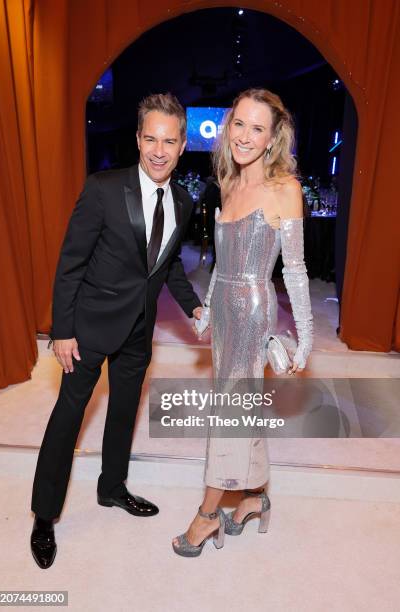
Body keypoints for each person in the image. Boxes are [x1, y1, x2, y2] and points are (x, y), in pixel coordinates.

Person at [30, 93, 202, 568]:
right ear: (138, 138)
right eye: (151, 138)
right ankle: (44, 517)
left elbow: (168, 270)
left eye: (170, 140)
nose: (159, 149)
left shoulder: (183, 201)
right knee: (67, 419)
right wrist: (62, 330)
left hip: (138, 334)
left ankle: (112, 489)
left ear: (184, 144)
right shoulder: (104, 188)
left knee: (123, 416)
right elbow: (70, 265)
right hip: (87, 330)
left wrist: (194, 309)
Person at [172, 88, 313, 557]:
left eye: (258, 128)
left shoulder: (284, 189)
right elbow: (221, 263)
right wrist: (208, 308)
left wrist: (307, 339)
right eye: (240, 124)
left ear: (273, 138)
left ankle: (208, 515)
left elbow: (293, 270)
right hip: (227, 312)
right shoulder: (228, 183)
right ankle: (253, 498)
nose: (246, 136)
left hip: (253, 310)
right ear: (227, 126)